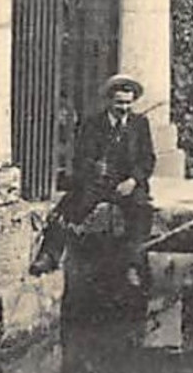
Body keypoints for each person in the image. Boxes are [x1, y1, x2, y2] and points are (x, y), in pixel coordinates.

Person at [31, 75, 155, 286]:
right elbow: (79, 158)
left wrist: (134, 180)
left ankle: (133, 265)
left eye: (128, 102)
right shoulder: (92, 124)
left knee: (142, 211)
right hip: (97, 183)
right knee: (68, 207)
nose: (124, 107)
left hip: (127, 184)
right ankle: (49, 256)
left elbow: (148, 159)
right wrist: (94, 167)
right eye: (119, 102)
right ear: (109, 101)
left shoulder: (140, 124)